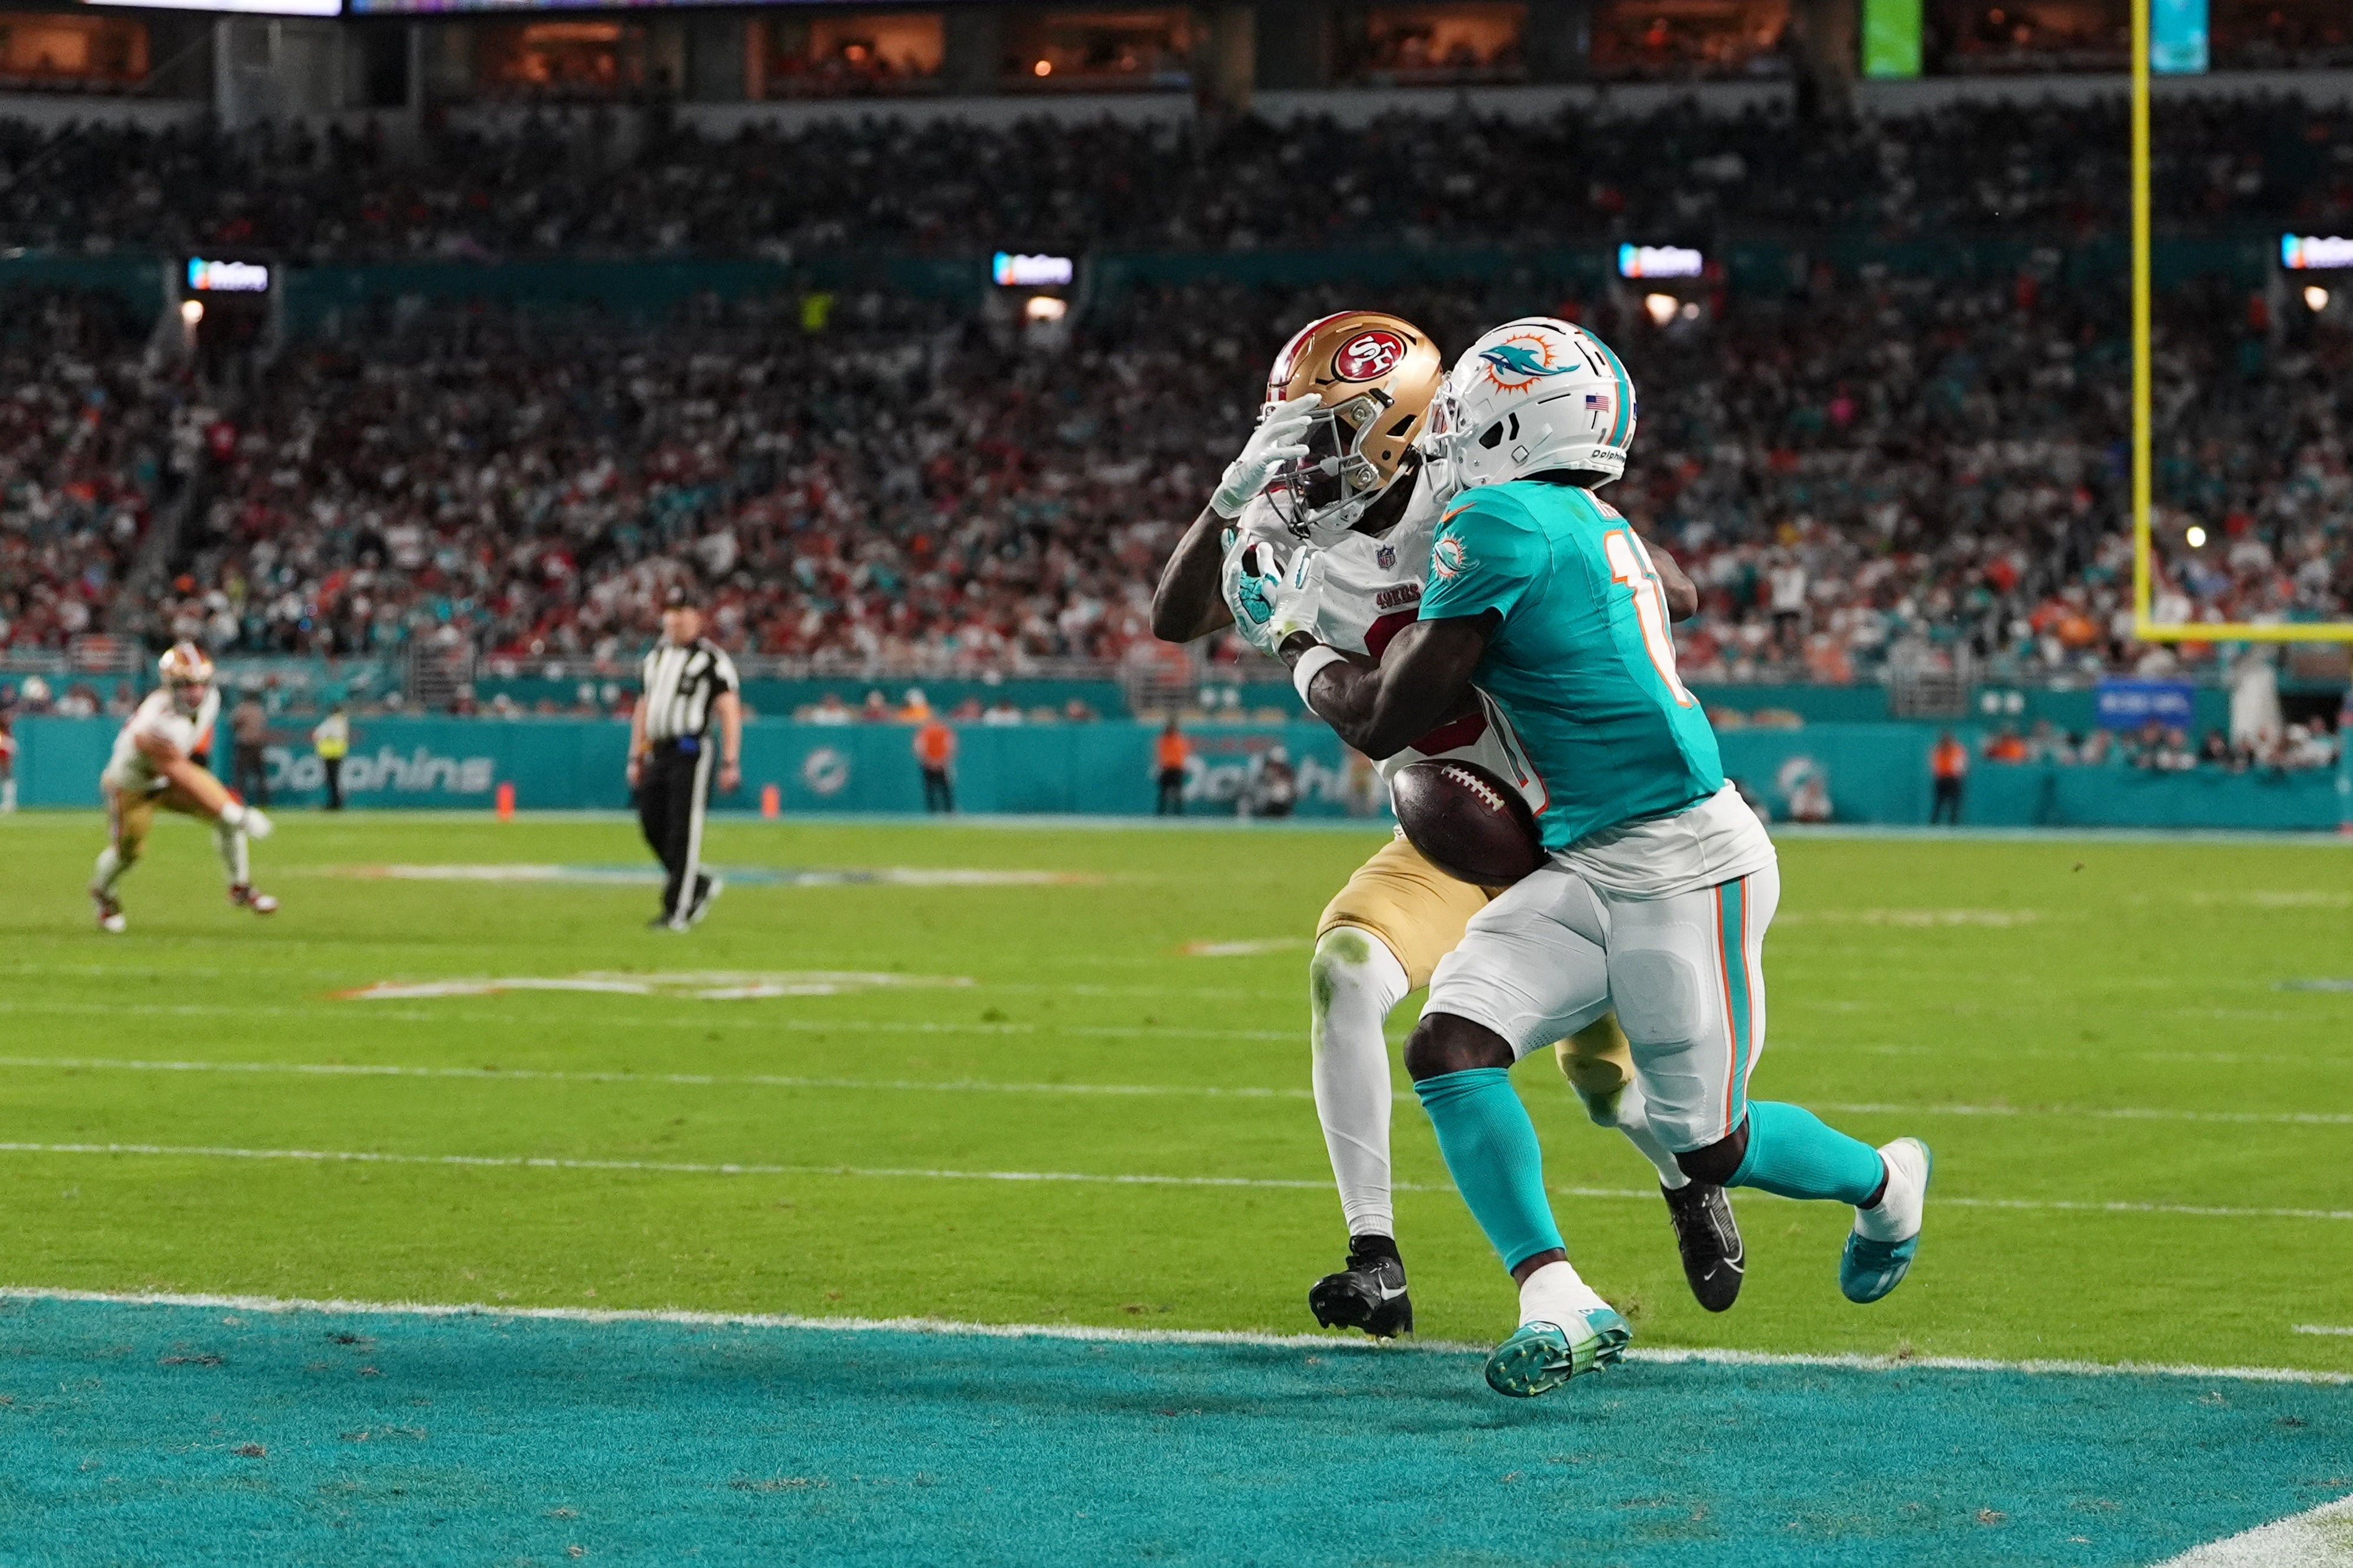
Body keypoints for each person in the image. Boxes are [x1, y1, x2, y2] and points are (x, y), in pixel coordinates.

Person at [1265, 317, 1928, 1397]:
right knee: (1450, 1044)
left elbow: (1385, 719)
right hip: (1581, 854)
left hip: (1683, 860)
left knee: (1708, 1143)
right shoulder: (1575, 516)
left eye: (1468, 411)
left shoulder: (1502, 525)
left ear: (1514, 423)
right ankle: (1555, 1292)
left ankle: (1887, 1183)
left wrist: (1294, 642)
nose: (1447, 431)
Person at [1153, 311, 1738, 1338]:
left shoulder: (1484, 490)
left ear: (1403, 423)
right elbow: (1174, 617)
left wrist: (1488, 587)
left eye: (1321, 432)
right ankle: (1373, 1253)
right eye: (1288, 434)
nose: (1300, 459)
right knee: (1345, 970)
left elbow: (1668, 587)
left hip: (1568, 824)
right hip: (1449, 814)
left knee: (1606, 1084)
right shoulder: (1285, 524)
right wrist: (1230, 495)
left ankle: (1688, 1180)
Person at [89, 642, 278, 933]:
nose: (197, 692)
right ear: (171, 685)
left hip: (169, 778)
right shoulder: (154, 723)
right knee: (129, 852)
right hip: (132, 786)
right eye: (188, 685)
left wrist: (229, 811)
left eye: (202, 683)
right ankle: (103, 892)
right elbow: (178, 770)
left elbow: (191, 754)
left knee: (226, 820)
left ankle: (240, 886)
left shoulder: (211, 700)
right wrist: (234, 812)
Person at [628, 588, 742, 930]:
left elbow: (729, 709)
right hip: (659, 751)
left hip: (691, 751)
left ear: (698, 617)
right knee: (651, 823)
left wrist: (731, 761)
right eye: (671, 609)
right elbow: (644, 707)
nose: (676, 617)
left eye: (684, 610)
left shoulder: (711, 659)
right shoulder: (655, 658)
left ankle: (678, 911)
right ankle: (697, 883)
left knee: (683, 829)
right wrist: (636, 755)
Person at [229, 688, 270, 806]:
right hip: (257, 744)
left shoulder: (242, 708)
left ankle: (238, 800)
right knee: (260, 776)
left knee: (241, 775)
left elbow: (234, 722)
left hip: (244, 744)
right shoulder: (259, 709)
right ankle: (264, 801)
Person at [312, 700, 351, 810]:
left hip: (329, 754)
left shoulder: (332, 722)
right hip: (338, 753)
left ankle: (335, 803)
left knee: (332, 780)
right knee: (335, 780)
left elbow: (317, 735)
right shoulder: (343, 722)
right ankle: (337, 802)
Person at [914, 715, 956, 812]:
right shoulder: (940, 732)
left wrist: (932, 762)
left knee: (941, 789)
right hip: (937, 764)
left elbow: (919, 749)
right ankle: (946, 812)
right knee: (937, 789)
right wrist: (937, 762)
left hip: (935, 764)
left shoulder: (927, 732)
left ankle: (940, 811)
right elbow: (951, 748)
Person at [1154, 717, 1189, 816]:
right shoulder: (1166, 740)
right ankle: (1163, 814)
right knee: (1165, 794)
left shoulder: (1177, 739)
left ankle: (1178, 814)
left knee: (1176, 794)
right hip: (1168, 768)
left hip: (1175, 768)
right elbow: (1159, 754)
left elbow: (1182, 754)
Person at [1930, 730, 1967, 823]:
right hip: (1943, 779)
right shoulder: (1938, 750)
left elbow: (1961, 765)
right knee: (1939, 803)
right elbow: (1935, 765)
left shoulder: (1957, 750)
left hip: (1953, 779)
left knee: (1954, 804)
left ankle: (1953, 824)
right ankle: (1934, 824)